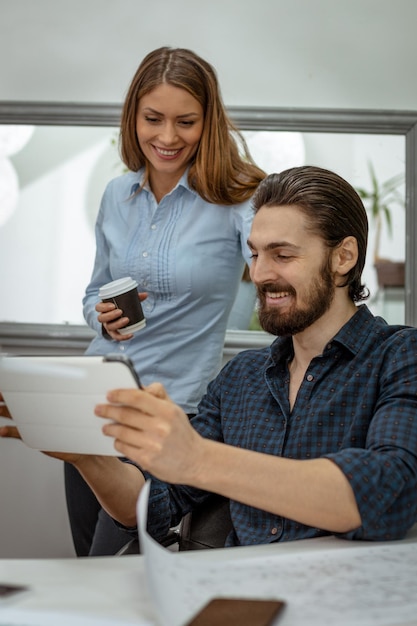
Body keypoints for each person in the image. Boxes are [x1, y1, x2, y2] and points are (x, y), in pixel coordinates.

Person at [2, 165, 417, 547]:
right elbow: (150, 507)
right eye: (254, 253)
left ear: (343, 257)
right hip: (234, 602)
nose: (258, 274)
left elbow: (389, 494)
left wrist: (198, 459)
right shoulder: (241, 380)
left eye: (283, 255)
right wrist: (84, 454)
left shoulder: (399, 357)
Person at [63, 46, 266, 556]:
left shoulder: (236, 198)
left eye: (186, 121)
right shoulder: (116, 195)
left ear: (209, 121)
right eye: (153, 119)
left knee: (117, 562)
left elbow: (277, 265)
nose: (168, 137)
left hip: (168, 414)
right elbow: (93, 292)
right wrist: (102, 318)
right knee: (89, 570)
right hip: (94, 404)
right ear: (133, 117)